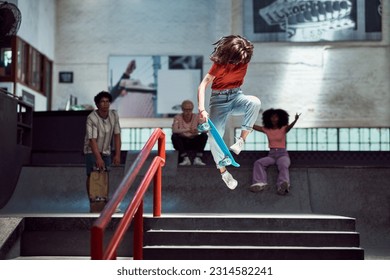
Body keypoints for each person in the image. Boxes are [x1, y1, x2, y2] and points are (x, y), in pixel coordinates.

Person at [197, 35, 262, 190]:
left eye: (245, 58)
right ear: (231, 55)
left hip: (236, 96)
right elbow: (203, 85)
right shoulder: (219, 65)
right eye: (239, 58)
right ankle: (224, 172)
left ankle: (241, 141)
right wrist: (202, 109)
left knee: (254, 102)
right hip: (218, 101)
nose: (242, 62)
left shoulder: (244, 59)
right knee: (214, 135)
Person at [83, 91, 122, 209]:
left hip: (106, 150)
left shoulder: (114, 115)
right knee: (93, 174)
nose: (105, 104)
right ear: (97, 104)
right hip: (91, 150)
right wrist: (98, 158)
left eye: (107, 101)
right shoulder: (91, 118)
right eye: (102, 102)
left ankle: (103, 198)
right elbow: (92, 139)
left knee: (105, 174)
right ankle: (92, 198)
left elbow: (117, 135)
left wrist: (117, 154)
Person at [250, 109, 300, 195]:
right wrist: (247, 118)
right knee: (258, 163)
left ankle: (283, 185)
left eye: (276, 117)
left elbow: (290, 127)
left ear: (280, 119)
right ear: (268, 119)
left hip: (282, 154)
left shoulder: (284, 129)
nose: (274, 119)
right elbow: (253, 126)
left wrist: (295, 120)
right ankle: (260, 183)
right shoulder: (267, 129)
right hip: (271, 155)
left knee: (283, 165)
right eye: (272, 117)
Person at [172, 100, 208, 166]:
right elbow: (174, 130)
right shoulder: (177, 117)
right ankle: (185, 158)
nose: (188, 112)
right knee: (174, 136)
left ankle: (198, 158)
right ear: (182, 109)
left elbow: (205, 129)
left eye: (190, 110)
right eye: (186, 110)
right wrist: (188, 130)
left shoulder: (197, 117)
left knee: (204, 136)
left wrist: (197, 130)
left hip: (193, 140)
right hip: (183, 141)